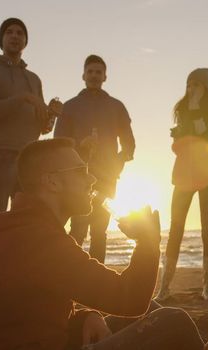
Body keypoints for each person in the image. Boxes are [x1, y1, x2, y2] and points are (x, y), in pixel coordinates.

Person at [0, 138, 205, 350]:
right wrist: (148, 242)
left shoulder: (26, 232)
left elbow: (32, 317)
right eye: (81, 170)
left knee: (150, 310)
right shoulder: (39, 242)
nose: (92, 178)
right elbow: (129, 298)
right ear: (52, 183)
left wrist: (85, 317)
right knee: (173, 322)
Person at [0, 17, 62, 250]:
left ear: (26, 41)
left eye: (20, 33)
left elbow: (43, 128)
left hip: (30, 160)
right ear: (1, 39)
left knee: (29, 223)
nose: (15, 36)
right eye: (9, 32)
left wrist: (51, 114)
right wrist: (23, 98)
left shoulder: (34, 79)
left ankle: (17, 280)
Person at [54, 54, 135, 263]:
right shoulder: (70, 106)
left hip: (108, 177)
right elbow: (59, 143)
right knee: (78, 228)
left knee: (100, 230)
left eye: (98, 72)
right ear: (83, 75)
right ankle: (70, 278)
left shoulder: (116, 106)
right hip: (78, 176)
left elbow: (129, 145)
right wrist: (80, 144)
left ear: (105, 76)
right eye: (90, 71)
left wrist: (117, 164)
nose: (94, 75)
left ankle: (97, 284)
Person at [155, 68, 208, 302]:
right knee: (176, 227)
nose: (190, 90)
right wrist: (181, 138)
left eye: (195, 85)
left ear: (205, 87)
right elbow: (178, 146)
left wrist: (195, 118)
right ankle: (164, 287)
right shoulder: (182, 111)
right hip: (184, 174)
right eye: (188, 85)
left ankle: (207, 287)